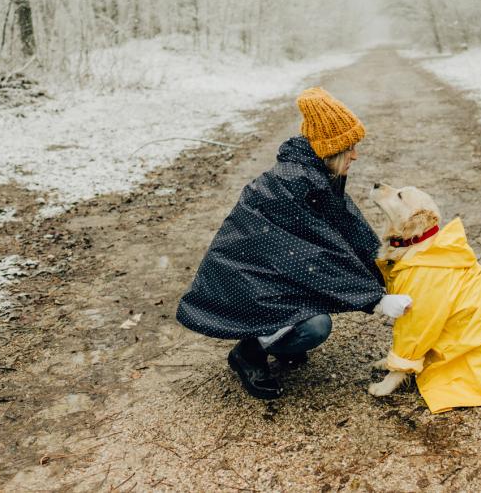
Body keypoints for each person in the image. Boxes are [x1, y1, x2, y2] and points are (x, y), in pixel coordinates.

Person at [176, 87, 412, 399]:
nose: (355, 154)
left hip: (269, 275)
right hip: (246, 283)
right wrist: (374, 299)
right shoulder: (291, 185)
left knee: (309, 314)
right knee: (315, 325)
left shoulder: (315, 174)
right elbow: (310, 258)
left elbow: (349, 228)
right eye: (350, 147)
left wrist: (389, 267)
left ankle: (277, 336)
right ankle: (249, 352)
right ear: (330, 148)